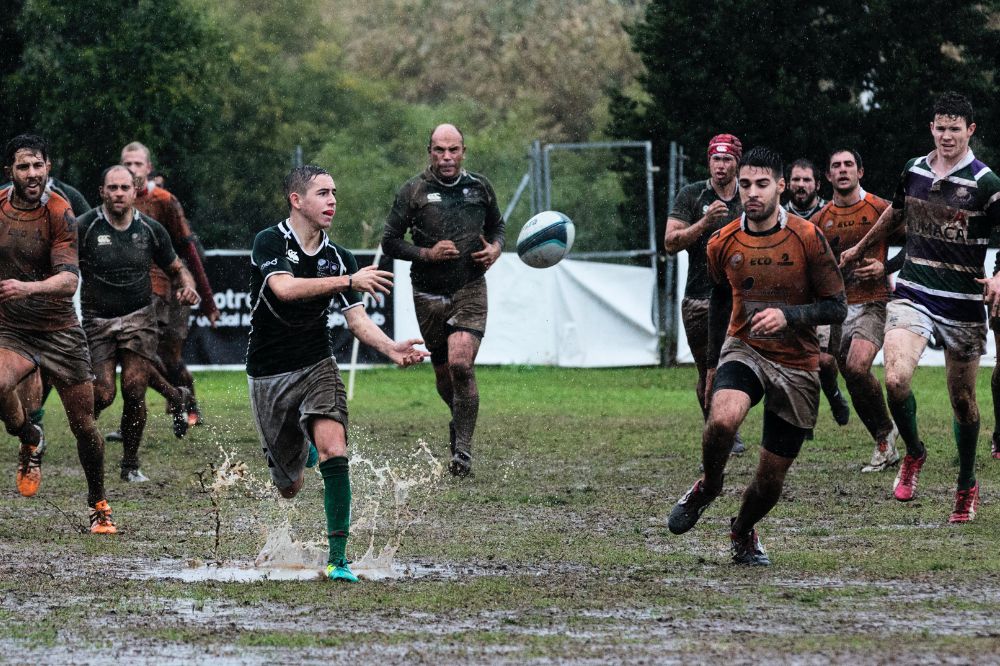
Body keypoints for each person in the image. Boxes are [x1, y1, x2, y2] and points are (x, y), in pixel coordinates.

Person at [667, 146, 847, 565]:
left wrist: (789, 316)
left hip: (798, 364)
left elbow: (836, 306)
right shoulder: (722, 240)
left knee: (769, 482)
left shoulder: (807, 237)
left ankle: (742, 531)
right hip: (744, 349)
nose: (751, 192)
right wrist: (712, 364)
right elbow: (717, 297)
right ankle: (709, 485)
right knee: (722, 420)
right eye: (745, 184)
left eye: (762, 184)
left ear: (781, 187)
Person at [248, 165, 427, 582]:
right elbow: (285, 289)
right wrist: (347, 279)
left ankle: (338, 560)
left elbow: (357, 322)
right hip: (268, 374)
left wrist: (390, 348)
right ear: (297, 200)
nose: (332, 201)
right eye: (323, 193)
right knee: (289, 487)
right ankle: (301, 452)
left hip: (317, 364)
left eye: (335, 193)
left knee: (335, 449)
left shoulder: (339, 256)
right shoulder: (271, 241)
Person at [841, 92, 1000, 523]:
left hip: (964, 304)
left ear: (970, 130)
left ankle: (966, 483)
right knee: (895, 379)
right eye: (940, 127)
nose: (947, 135)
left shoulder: (986, 183)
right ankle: (914, 452)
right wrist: (858, 246)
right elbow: (895, 213)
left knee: (963, 401)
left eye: (955, 128)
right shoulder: (913, 169)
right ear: (931, 128)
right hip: (914, 291)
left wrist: (999, 273)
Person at [0, 134, 116, 534]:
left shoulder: (60, 212)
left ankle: (98, 503)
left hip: (59, 329)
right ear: (10, 172)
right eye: (22, 167)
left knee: (84, 424)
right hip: (12, 327)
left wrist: (25, 287)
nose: (31, 174)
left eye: (37, 166)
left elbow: (68, 281)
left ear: (48, 167)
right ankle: (29, 435)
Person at [381, 124, 505, 477]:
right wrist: (427, 253)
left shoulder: (479, 187)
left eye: (453, 150)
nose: (446, 157)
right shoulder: (413, 191)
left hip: (470, 287)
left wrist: (495, 249)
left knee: (461, 364)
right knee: (443, 373)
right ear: (429, 152)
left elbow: (498, 228)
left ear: (464, 151)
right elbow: (390, 241)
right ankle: (459, 419)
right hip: (427, 293)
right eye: (439, 150)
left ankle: (462, 451)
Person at [78, 165, 198, 482]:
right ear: (102, 191)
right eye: (112, 188)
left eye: (124, 188)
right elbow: (60, 264)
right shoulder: (85, 227)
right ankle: (174, 395)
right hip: (97, 321)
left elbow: (176, 267)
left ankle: (130, 464)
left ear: (135, 191)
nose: (118, 193)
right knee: (103, 394)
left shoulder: (151, 230)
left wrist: (187, 286)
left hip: (139, 318)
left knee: (134, 387)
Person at [812, 149, 903, 472]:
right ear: (828, 176)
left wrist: (884, 266)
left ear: (860, 172)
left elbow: (917, 243)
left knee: (857, 365)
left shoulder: (880, 208)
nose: (842, 170)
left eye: (848, 164)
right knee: (850, 375)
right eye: (835, 166)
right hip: (837, 308)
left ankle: (886, 433)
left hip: (874, 302)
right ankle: (883, 436)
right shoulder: (820, 219)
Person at [121, 142, 218, 426]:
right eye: (127, 164)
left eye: (138, 164)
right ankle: (133, 418)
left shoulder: (164, 200)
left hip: (172, 289)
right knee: (135, 354)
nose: (132, 169)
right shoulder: (116, 200)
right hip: (135, 291)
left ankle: (188, 403)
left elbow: (189, 251)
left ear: (149, 169)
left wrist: (208, 301)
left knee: (169, 357)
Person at [665, 134, 748, 455]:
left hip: (744, 298)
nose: (721, 165)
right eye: (716, 158)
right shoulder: (691, 195)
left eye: (727, 159)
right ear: (708, 161)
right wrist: (704, 222)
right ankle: (719, 431)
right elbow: (670, 243)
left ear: (737, 162)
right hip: (700, 298)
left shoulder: (750, 195)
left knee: (740, 367)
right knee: (708, 369)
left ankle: (729, 424)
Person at [785, 157, 850, 432]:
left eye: (806, 180)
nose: (801, 185)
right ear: (787, 184)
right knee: (794, 361)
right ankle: (801, 419)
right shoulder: (777, 215)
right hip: (788, 299)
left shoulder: (829, 214)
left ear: (817, 184)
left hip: (823, 299)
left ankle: (833, 393)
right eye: (796, 180)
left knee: (823, 361)